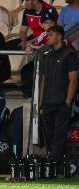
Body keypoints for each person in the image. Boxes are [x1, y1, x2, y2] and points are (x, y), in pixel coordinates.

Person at [39, 25, 79, 162]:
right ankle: (55, 159)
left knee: (59, 133)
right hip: (48, 101)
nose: (48, 38)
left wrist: (68, 101)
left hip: (62, 102)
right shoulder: (47, 56)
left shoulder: (69, 55)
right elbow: (43, 80)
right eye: (47, 35)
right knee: (48, 132)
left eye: (51, 35)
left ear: (59, 36)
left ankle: (54, 161)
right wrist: (40, 101)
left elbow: (73, 80)